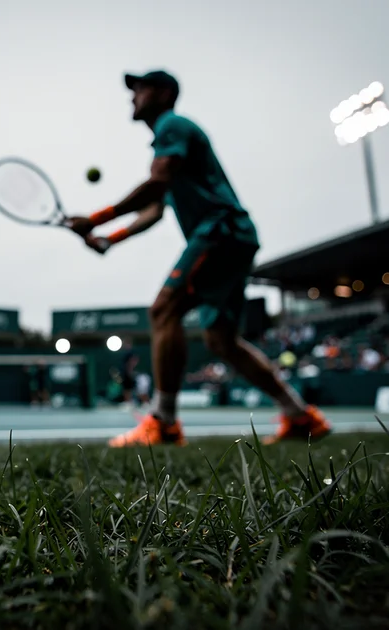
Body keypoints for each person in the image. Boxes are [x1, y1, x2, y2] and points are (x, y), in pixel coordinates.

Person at [68, 69, 331, 447]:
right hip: (234, 237)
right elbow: (155, 209)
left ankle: (164, 422)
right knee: (222, 342)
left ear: (163, 93)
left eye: (139, 89)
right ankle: (300, 416)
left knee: (164, 310)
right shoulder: (170, 143)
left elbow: (156, 185)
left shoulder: (172, 126)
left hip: (219, 231)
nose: (132, 97)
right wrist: (110, 239)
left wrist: (94, 218)